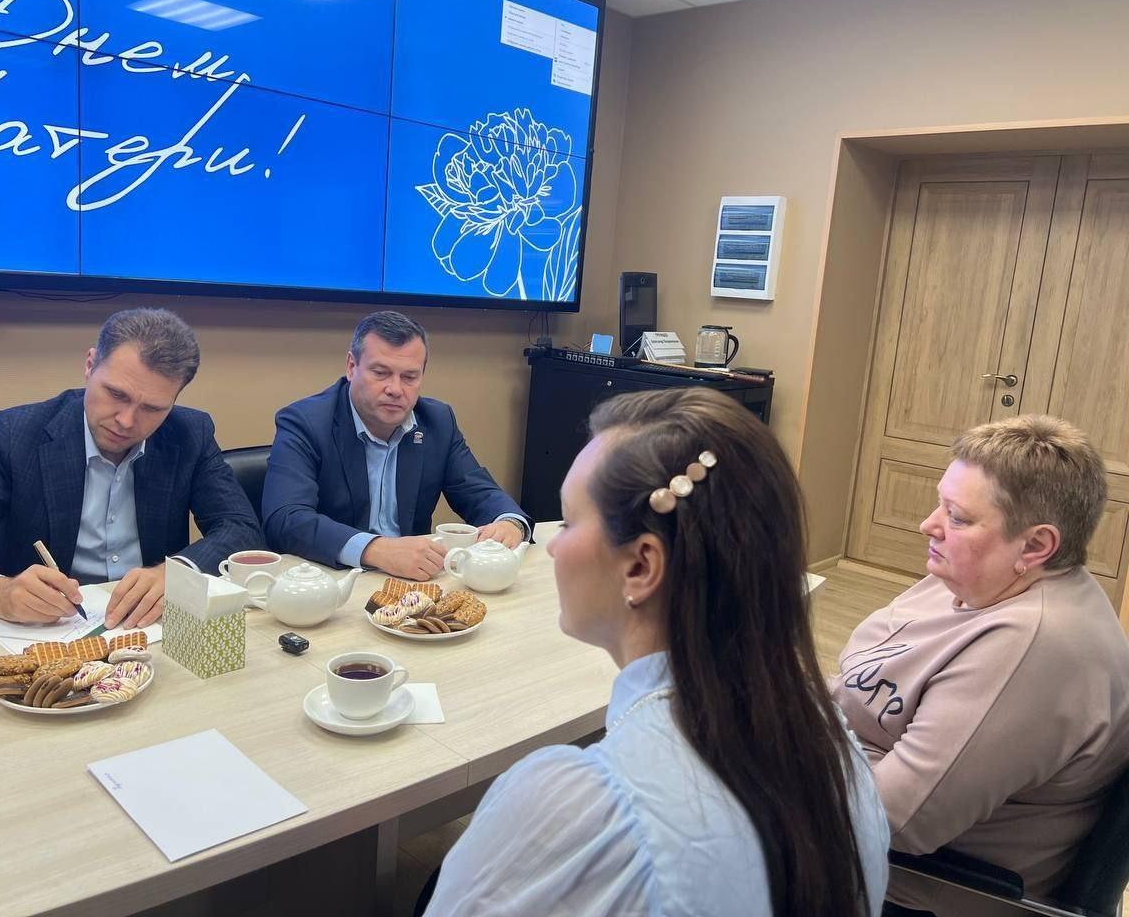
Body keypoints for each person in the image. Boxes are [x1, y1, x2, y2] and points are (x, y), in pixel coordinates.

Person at [422, 388, 889, 916]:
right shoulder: (836, 752)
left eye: (569, 522)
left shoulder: (581, 812)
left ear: (641, 566)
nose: (552, 545)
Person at [831, 415, 1129, 917]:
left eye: (957, 517)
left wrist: (784, 745)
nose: (929, 524)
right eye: (941, 504)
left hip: (916, 890)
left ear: (1035, 545)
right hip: (858, 822)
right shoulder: (969, 578)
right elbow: (859, 684)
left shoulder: (1032, 648)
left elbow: (897, 821)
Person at [0, 308, 263, 627]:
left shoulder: (190, 433)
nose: (126, 421)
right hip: (45, 631)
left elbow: (241, 529)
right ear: (90, 365)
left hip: (150, 630)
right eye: (116, 394)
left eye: (152, 408)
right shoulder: (18, 433)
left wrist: (178, 573)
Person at [262, 311, 529, 580]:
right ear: (351, 366)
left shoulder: (437, 422)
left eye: (409, 377)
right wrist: (376, 550)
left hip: (414, 584)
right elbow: (286, 518)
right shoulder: (305, 422)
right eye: (381, 373)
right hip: (330, 580)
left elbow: (480, 493)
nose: (395, 389)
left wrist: (509, 522)